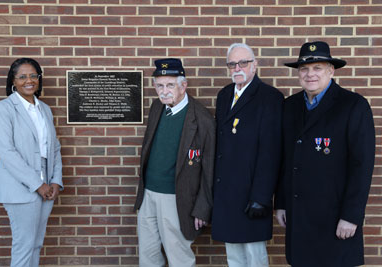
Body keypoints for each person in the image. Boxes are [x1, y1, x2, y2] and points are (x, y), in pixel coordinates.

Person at [275, 41, 375, 267]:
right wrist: (281, 202)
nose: (310, 74)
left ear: (331, 70)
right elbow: (285, 159)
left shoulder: (353, 106)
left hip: (335, 219)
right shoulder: (289, 106)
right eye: (304, 69)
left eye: (317, 68)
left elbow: (362, 166)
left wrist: (351, 216)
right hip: (299, 217)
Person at [133, 58, 215, 267]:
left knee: (179, 259)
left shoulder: (202, 119)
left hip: (177, 199)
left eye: (170, 85)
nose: (164, 91)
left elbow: (210, 169)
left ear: (183, 85)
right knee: (147, 256)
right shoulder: (157, 108)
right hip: (148, 196)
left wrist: (202, 208)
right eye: (159, 85)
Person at [211, 43, 284, 267]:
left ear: (255, 65)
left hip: (251, 193)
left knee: (254, 255)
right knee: (233, 255)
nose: (237, 68)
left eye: (243, 62)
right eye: (232, 64)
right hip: (226, 192)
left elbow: (271, 153)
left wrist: (261, 197)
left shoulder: (270, 98)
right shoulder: (224, 95)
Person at [0, 58, 63, 267]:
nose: (28, 80)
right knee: (24, 245)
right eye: (22, 77)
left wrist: (55, 181)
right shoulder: (4, 109)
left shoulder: (44, 109)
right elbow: (6, 152)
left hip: (47, 184)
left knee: (36, 244)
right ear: (13, 81)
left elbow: (54, 148)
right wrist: (37, 184)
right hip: (20, 186)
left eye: (33, 75)